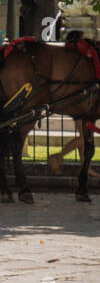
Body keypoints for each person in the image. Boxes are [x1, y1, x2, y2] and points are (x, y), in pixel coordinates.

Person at [46, 30, 100, 178]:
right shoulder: (82, 56)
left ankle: (85, 166)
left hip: (81, 102)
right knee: (83, 138)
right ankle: (56, 158)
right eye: (83, 39)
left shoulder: (75, 57)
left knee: (84, 137)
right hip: (82, 103)